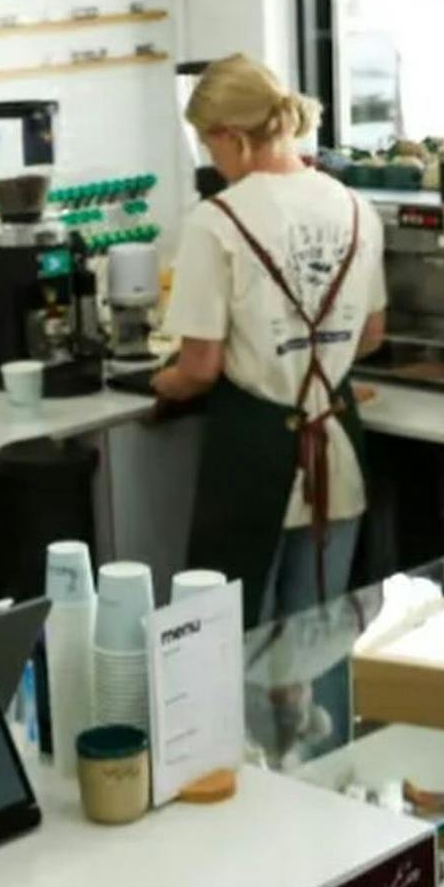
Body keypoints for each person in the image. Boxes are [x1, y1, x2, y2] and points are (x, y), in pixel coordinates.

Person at [154, 54, 389, 626]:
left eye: (211, 148)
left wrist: (159, 380)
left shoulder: (217, 220)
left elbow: (200, 367)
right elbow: (372, 336)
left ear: (231, 136)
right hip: (337, 455)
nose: (214, 163)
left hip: (252, 460)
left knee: (230, 649)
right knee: (317, 641)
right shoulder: (357, 208)